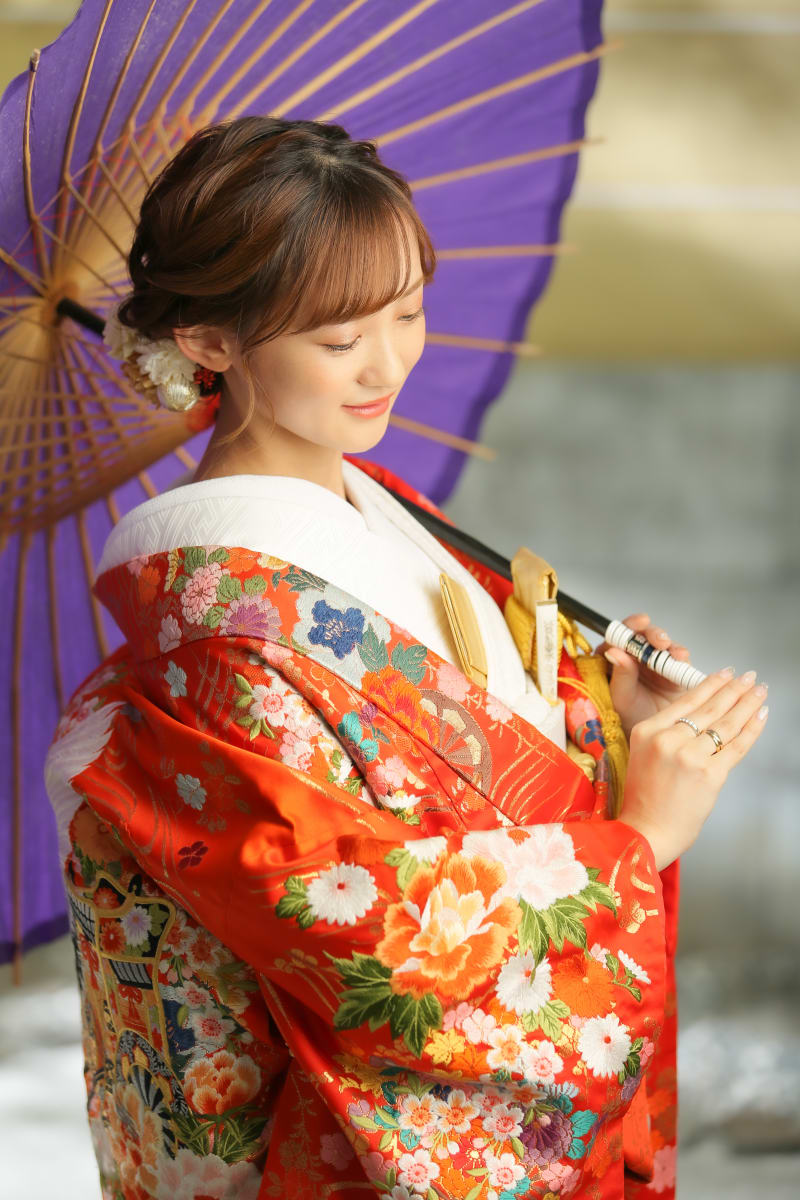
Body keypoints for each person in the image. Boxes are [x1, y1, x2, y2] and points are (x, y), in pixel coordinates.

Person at [44, 116, 768, 1200]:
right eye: (340, 340)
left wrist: (607, 715)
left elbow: (488, 745)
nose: (387, 365)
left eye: (408, 312)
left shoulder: (369, 501)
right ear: (210, 342)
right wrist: (638, 840)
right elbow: (361, 938)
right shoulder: (221, 633)